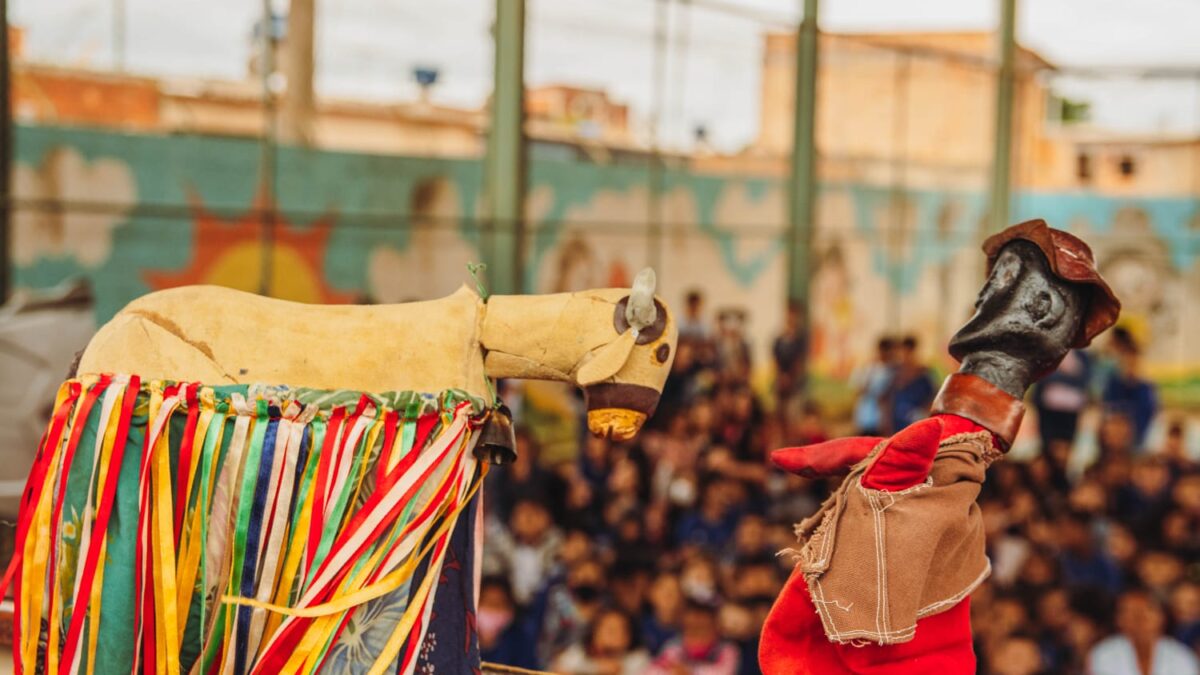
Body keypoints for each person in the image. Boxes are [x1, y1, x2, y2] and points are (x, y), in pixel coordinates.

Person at [1088, 588, 1199, 675]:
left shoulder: (1182, 656)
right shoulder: (1103, 654)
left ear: (1162, 617)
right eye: (1131, 612)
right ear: (1118, 620)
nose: (1139, 618)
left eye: (1146, 610)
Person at [648, 595, 741, 674]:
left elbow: (725, 672)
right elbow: (650, 671)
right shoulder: (674, 647)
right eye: (693, 611)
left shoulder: (726, 649)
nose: (697, 618)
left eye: (702, 612)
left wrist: (689, 671)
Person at [1102, 327, 1158, 451]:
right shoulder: (1113, 385)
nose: (1131, 367)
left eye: (1134, 363)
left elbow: (1149, 415)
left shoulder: (1146, 389)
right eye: (1128, 363)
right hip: (1113, 442)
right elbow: (1108, 411)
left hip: (1137, 442)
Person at [552, 607, 652, 675]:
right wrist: (595, 669)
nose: (619, 635)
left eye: (623, 629)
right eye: (611, 630)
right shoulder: (579, 652)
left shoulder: (638, 658)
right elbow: (559, 670)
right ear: (595, 632)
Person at [1033, 348, 1092, 450]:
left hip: (1071, 410)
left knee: (1067, 444)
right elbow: (1044, 378)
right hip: (1048, 409)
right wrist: (1069, 374)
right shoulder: (1049, 352)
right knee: (1047, 445)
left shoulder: (1083, 356)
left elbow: (1084, 381)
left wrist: (1060, 375)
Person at [477, 576, 538, 669]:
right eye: (488, 603)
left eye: (498, 605)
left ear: (510, 608)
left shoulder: (520, 641)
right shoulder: (460, 640)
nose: (493, 610)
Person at [884, 335, 936, 434]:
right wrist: (886, 421)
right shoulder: (894, 373)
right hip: (897, 423)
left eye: (908, 352)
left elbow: (932, 397)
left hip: (916, 423)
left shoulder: (924, 373)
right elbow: (887, 399)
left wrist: (923, 414)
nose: (904, 355)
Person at [851, 336, 897, 435]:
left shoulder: (893, 371)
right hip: (864, 418)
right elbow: (858, 391)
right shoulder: (867, 368)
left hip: (880, 420)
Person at [773, 302, 809, 401]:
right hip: (781, 383)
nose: (791, 318)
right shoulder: (779, 339)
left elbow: (800, 362)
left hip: (795, 383)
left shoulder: (801, 340)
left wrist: (791, 377)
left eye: (793, 315)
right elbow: (775, 359)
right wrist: (782, 377)